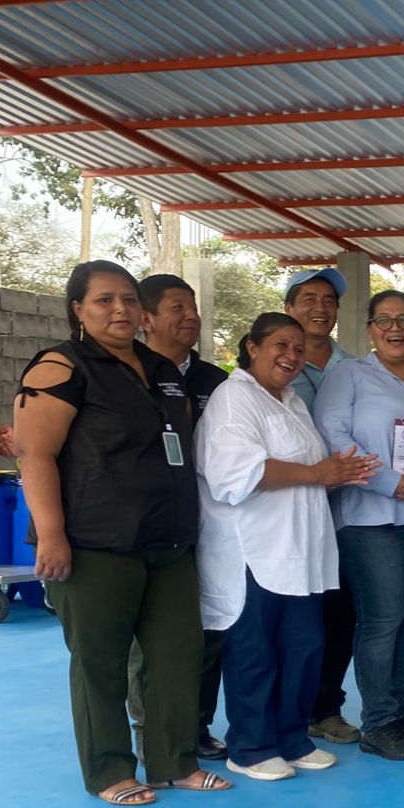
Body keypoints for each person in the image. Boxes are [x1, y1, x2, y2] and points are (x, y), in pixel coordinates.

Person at [15, 260, 230, 805]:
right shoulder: (61, 367)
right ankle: (109, 771)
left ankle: (172, 763)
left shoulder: (160, 368)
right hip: (95, 544)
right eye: (105, 300)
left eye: (129, 299)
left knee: (177, 655)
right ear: (78, 310)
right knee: (101, 663)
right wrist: (52, 535)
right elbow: (34, 455)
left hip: (169, 541)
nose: (120, 310)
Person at [195, 312, 379, 781]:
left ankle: (292, 738)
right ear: (252, 347)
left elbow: (310, 472)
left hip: (301, 553)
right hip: (254, 551)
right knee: (255, 652)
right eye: (281, 345)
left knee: (304, 648)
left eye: (298, 349)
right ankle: (251, 747)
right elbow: (233, 473)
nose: (291, 356)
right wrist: (319, 473)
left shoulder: (291, 401)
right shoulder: (235, 398)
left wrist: (338, 473)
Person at [314, 291, 404, 762]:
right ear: (370, 329)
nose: (395, 328)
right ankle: (379, 721)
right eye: (384, 320)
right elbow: (333, 435)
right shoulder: (348, 375)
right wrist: (389, 481)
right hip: (369, 517)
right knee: (382, 621)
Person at [125, 273, 228, 762]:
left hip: (206, 524)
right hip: (140, 525)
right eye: (177, 307)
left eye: (193, 307)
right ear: (146, 319)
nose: (191, 316)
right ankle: (149, 731)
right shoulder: (124, 373)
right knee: (146, 640)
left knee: (207, 632)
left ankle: (196, 725)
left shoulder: (217, 382)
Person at [283, 267, 363, 746]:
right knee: (288, 617)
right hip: (285, 514)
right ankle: (283, 713)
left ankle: (325, 708)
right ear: (289, 308)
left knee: (340, 614)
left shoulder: (355, 368)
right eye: (309, 299)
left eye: (328, 300)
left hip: (343, 514)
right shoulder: (274, 366)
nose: (320, 308)